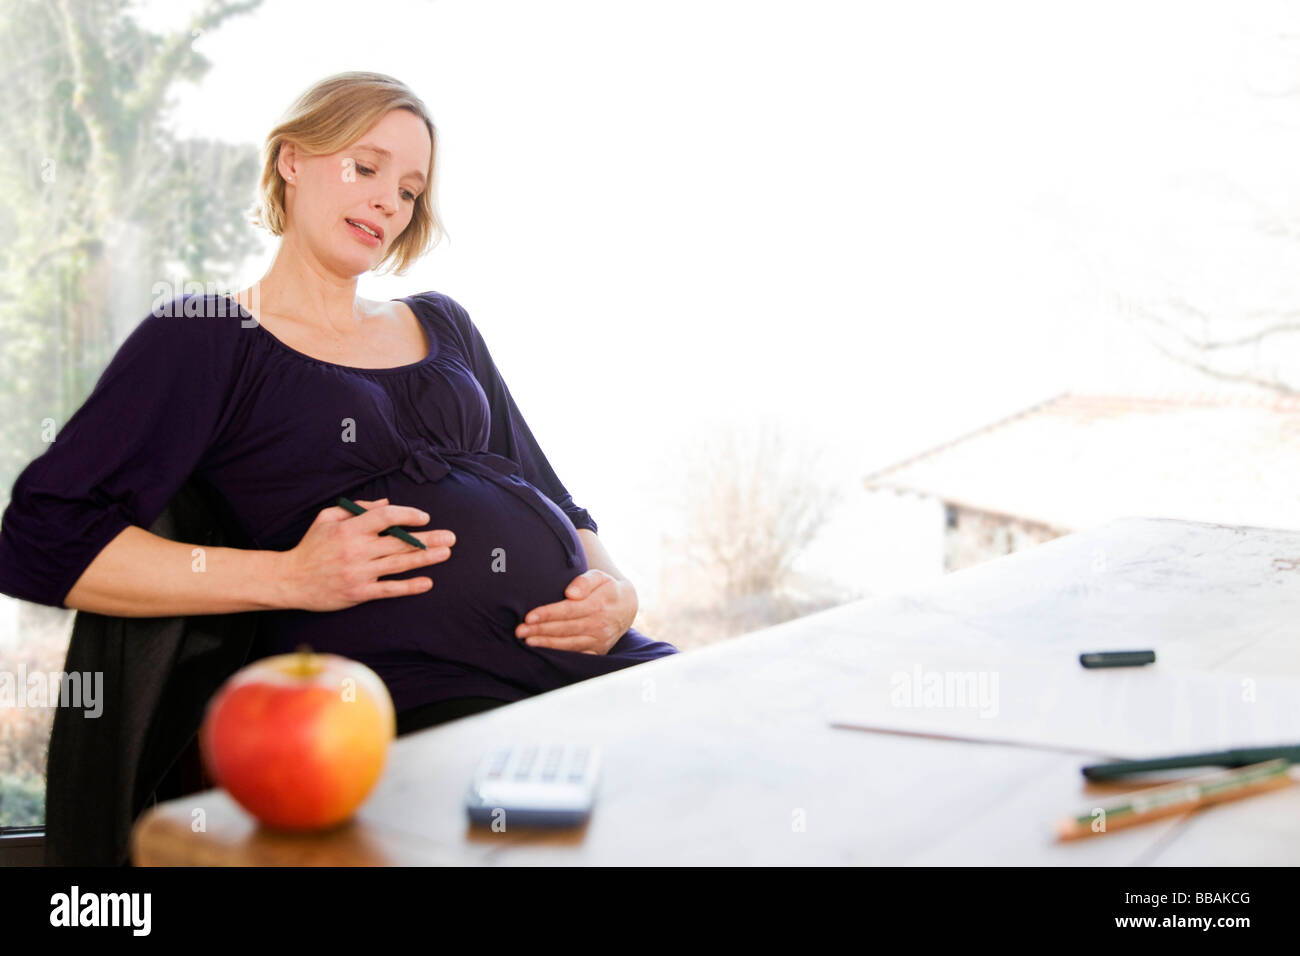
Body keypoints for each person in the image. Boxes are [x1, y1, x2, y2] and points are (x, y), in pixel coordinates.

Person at [0, 71, 677, 737]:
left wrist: (619, 595)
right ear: (292, 159)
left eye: (409, 191)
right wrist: (291, 577)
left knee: (744, 735)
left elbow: (555, 498)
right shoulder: (206, 336)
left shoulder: (444, 323)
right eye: (366, 167)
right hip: (416, 695)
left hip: (594, 658)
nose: (390, 201)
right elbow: (43, 538)